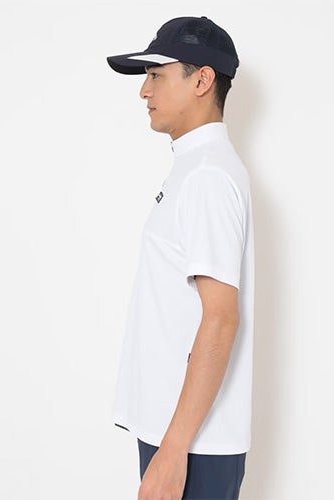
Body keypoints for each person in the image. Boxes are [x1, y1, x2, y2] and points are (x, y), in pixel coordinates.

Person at [107, 15, 255, 500]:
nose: (144, 91)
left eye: (156, 75)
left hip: (192, 442)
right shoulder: (194, 168)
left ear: (202, 80)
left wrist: (174, 449)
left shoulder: (207, 177)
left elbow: (221, 318)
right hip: (180, 432)